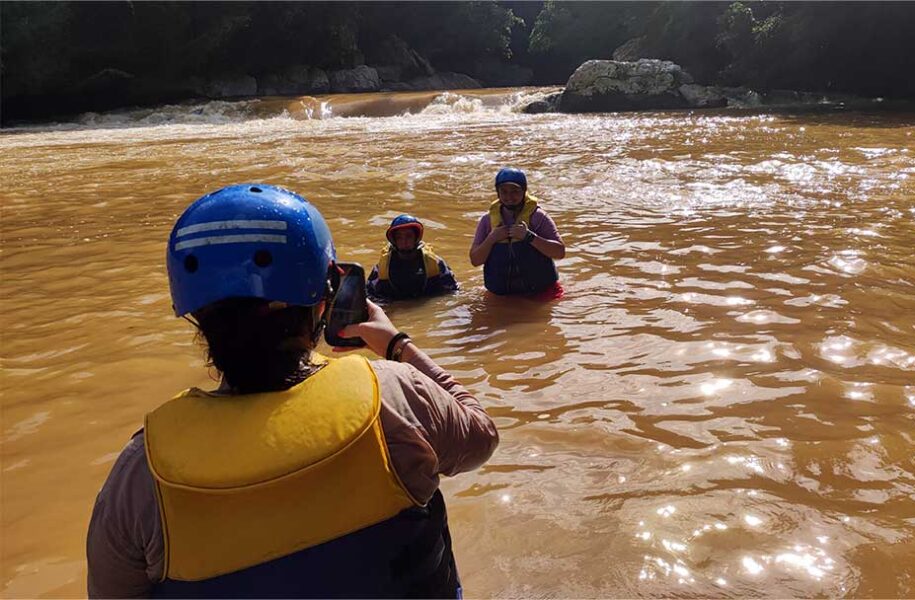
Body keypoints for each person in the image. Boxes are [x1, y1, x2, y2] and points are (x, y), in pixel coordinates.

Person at [86, 184, 498, 598]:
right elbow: (480, 436)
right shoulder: (393, 396)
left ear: (194, 313)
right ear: (323, 301)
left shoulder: (142, 471)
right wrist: (395, 344)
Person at [469, 167, 566, 297]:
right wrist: (492, 238)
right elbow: (475, 260)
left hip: (541, 293)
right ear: (498, 193)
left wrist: (529, 236)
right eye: (504, 192)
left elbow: (560, 252)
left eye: (515, 191)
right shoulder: (487, 221)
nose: (509, 197)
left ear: (524, 191)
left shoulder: (538, 217)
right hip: (502, 297)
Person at [367, 214, 459, 301]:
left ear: (416, 238)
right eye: (399, 237)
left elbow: (453, 293)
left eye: (409, 236)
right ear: (394, 240)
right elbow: (369, 297)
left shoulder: (435, 263)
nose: (404, 241)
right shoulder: (382, 268)